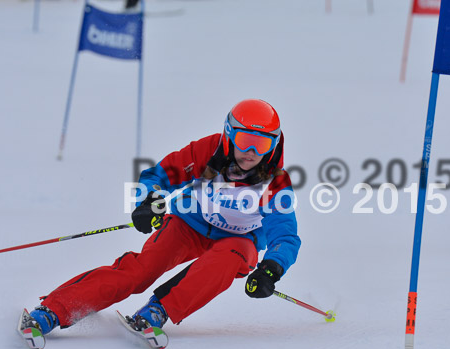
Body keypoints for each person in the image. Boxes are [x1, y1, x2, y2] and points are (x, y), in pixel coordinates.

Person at [22, 99, 301, 335]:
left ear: (274, 145)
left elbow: (285, 234)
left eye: (262, 144)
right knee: (143, 270)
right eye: (245, 141)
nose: (252, 152)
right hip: (190, 225)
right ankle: (53, 310)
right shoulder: (209, 152)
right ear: (229, 134)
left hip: (238, 240)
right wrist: (148, 200)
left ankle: (158, 311)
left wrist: (271, 268)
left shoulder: (274, 181)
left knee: (230, 256)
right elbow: (160, 175)